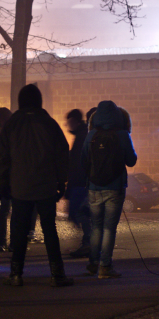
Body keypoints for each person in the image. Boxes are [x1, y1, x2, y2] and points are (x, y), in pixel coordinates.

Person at [0, 84, 73, 287]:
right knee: (50, 230)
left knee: (19, 230)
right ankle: (57, 274)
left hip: (20, 186)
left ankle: (16, 274)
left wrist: (3, 183)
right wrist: (61, 180)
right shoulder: (49, 123)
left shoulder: (12, 124)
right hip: (46, 184)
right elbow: (62, 152)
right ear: (39, 101)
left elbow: (3, 157)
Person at [81, 100, 137, 278]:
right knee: (109, 229)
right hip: (115, 187)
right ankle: (105, 266)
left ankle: (93, 263)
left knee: (96, 226)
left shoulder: (91, 135)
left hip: (94, 187)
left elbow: (83, 161)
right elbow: (131, 161)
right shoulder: (122, 134)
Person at [66, 108, 91, 258]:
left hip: (80, 183)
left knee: (80, 214)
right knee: (81, 215)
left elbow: (77, 163)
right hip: (80, 182)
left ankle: (87, 244)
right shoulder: (82, 135)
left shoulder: (82, 136)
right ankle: (87, 243)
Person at [0, 107, 13, 252]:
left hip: (0, 175)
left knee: (3, 210)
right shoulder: (9, 134)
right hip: (9, 175)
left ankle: (2, 242)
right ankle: (12, 243)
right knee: (12, 209)